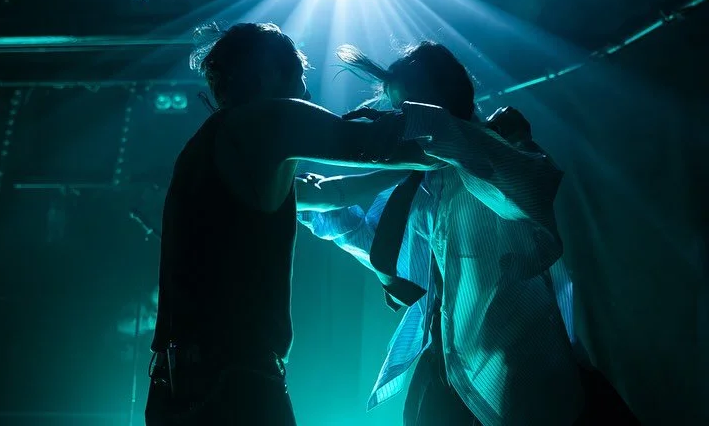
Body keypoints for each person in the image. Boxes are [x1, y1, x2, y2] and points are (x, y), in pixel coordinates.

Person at [296, 42, 639, 425]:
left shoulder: (506, 151)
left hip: (520, 378)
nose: (397, 118)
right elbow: (387, 252)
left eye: (406, 107)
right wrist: (312, 205)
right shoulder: (420, 187)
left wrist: (414, 129)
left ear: (441, 99)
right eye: (396, 109)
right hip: (447, 380)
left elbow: (530, 187)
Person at [144, 22, 442, 426]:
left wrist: (410, 171)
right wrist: (470, 136)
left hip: (177, 384)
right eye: (301, 80)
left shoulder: (216, 146)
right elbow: (373, 145)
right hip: (233, 383)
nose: (307, 96)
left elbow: (330, 192)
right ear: (270, 73)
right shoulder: (268, 118)